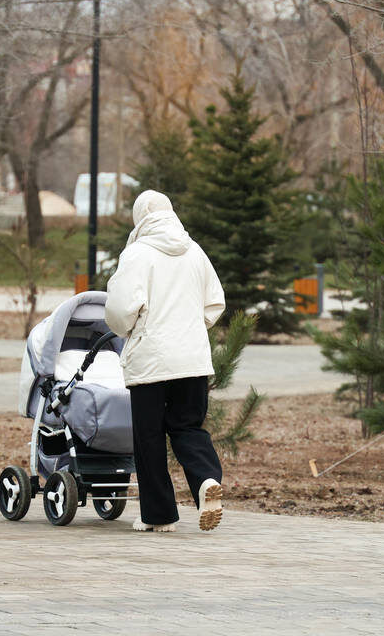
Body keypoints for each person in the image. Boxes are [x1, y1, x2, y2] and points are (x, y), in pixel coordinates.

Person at [105, 190, 226, 533]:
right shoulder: (195, 251)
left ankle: (159, 516)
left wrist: (130, 330)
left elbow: (118, 310)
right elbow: (215, 302)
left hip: (151, 360)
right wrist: (189, 330)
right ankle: (205, 482)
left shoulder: (137, 254)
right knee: (188, 426)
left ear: (139, 217)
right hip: (192, 360)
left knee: (150, 436)